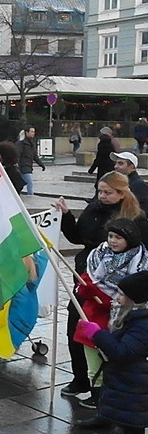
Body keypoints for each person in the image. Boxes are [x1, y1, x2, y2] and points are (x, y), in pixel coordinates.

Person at [55, 171, 148, 399]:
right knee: (76, 326)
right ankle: (80, 379)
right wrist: (66, 216)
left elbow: (140, 256)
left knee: (107, 337)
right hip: (87, 276)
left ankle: (103, 388)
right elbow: (77, 237)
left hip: (118, 289)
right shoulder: (93, 209)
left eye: (108, 192)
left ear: (122, 193)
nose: (102, 196)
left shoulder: (136, 218)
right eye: (100, 191)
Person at [73, 217, 148, 411]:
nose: (113, 241)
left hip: (119, 319)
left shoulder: (140, 263)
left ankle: (105, 397)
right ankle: (96, 394)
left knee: (110, 360)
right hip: (92, 317)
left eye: (118, 238)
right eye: (111, 236)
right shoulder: (99, 255)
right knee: (92, 361)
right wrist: (85, 288)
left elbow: (132, 296)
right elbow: (85, 282)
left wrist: (100, 294)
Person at [75, 270, 148, 434]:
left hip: (135, 385)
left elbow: (123, 352)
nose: (117, 297)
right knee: (128, 425)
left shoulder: (143, 324)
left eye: (122, 294)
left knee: (133, 430)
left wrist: (98, 334)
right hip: (130, 382)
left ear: (136, 299)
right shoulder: (136, 318)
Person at [16, 126, 45, 196]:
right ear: (27, 133)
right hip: (22, 167)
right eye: (31, 132)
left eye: (34, 132)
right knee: (29, 183)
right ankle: (31, 196)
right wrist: (17, 166)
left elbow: (35, 156)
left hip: (28, 167)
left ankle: (16, 195)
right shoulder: (21, 143)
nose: (33, 133)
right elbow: (17, 155)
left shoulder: (32, 143)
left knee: (21, 184)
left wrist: (41, 164)